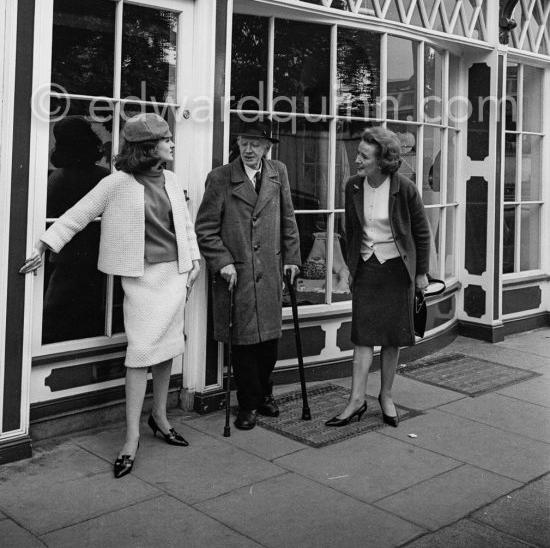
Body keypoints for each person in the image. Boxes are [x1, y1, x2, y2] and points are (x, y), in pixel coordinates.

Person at [20, 113, 200, 477]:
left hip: (174, 274)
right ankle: (131, 437)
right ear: (148, 148)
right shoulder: (117, 183)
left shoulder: (171, 178)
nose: (172, 143)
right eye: (166, 139)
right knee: (140, 353)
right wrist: (43, 245)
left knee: (167, 347)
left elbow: (184, 225)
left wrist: (193, 261)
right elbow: (77, 215)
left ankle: (160, 418)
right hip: (141, 277)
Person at [195, 115, 301, 431]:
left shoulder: (277, 172)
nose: (249, 149)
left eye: (256, 143)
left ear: (267, 146)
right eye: (244, 142)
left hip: (269, 270)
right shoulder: (220, 178)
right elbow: (205, 229)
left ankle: (265, 393)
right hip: (238, 273)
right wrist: (223, 261)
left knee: (268, 339)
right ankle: (249, 403)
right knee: (243, 343)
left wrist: (292, 258)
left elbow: (288, 218)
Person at [325, 126, 430, 429]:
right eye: (358, 153)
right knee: (362, 337)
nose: (357, 159)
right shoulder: (353, 186)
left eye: (364, 156)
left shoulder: (405, 188)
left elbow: (421, 232)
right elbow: (349, 230)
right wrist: (349, 266)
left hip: (397, 271)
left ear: (382, 161)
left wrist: (421, 272)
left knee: (392, 338)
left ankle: (386, 396)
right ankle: (356, 400)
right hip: (368, 270)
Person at [42, 116, 110, 344]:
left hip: (66, 256)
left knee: (55, 314)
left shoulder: (57, 179)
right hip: (97, 254)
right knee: (91, 313)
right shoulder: (103, 176)